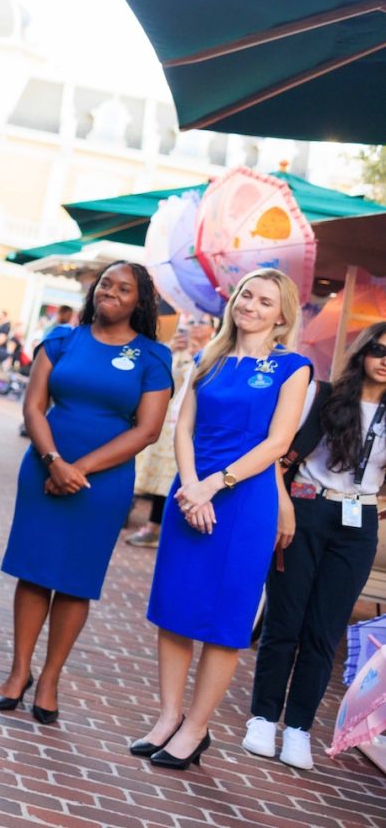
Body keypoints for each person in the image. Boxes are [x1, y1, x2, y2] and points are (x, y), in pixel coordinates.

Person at [133, 269, 310, 771]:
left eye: (265, 300)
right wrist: (191, 486)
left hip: (242, 503)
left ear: (282, 315)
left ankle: (197, 727)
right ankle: (168, 717)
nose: (250, 305)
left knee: (223, 622)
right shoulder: (209, 357)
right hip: (190, 494)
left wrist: (214, 484)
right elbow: (183, 427)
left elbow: (277, 443)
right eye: (245, 295)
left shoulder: (293, 368)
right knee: (174, 610)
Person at [0, 262, 172, 725]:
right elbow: (34, 404)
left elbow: (148, 430)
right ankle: (19, 671)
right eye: (106, 284)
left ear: (140, 300)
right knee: (33, 572)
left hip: (102, 481)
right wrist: (54, 461)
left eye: (123, 288)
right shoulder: (61, 340)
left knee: (76, 580)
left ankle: (50, 678)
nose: (110, 292)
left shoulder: (152, 357)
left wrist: (80, 469)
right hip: (42, 467)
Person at [245, 321, 386, 770]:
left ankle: (299, 728)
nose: (385, 360)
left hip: (357, 521)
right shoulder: (323, 395)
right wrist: (283, 504)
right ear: (363, 350)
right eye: (380, 349)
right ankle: (264, 718)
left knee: (324, 631)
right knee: (284, 620)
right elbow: (278, 450)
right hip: (305, 509)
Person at [128, 323, 211, 548]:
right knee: (156, 476)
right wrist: (172, 352)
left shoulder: (213, 354)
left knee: (175, 477)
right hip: (168, 421)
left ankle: (159, 528)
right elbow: (167, 382)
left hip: (190, 423)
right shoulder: (178, 351)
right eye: (192, 323)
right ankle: (152, 525)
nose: (195, 328)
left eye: (202, 323)